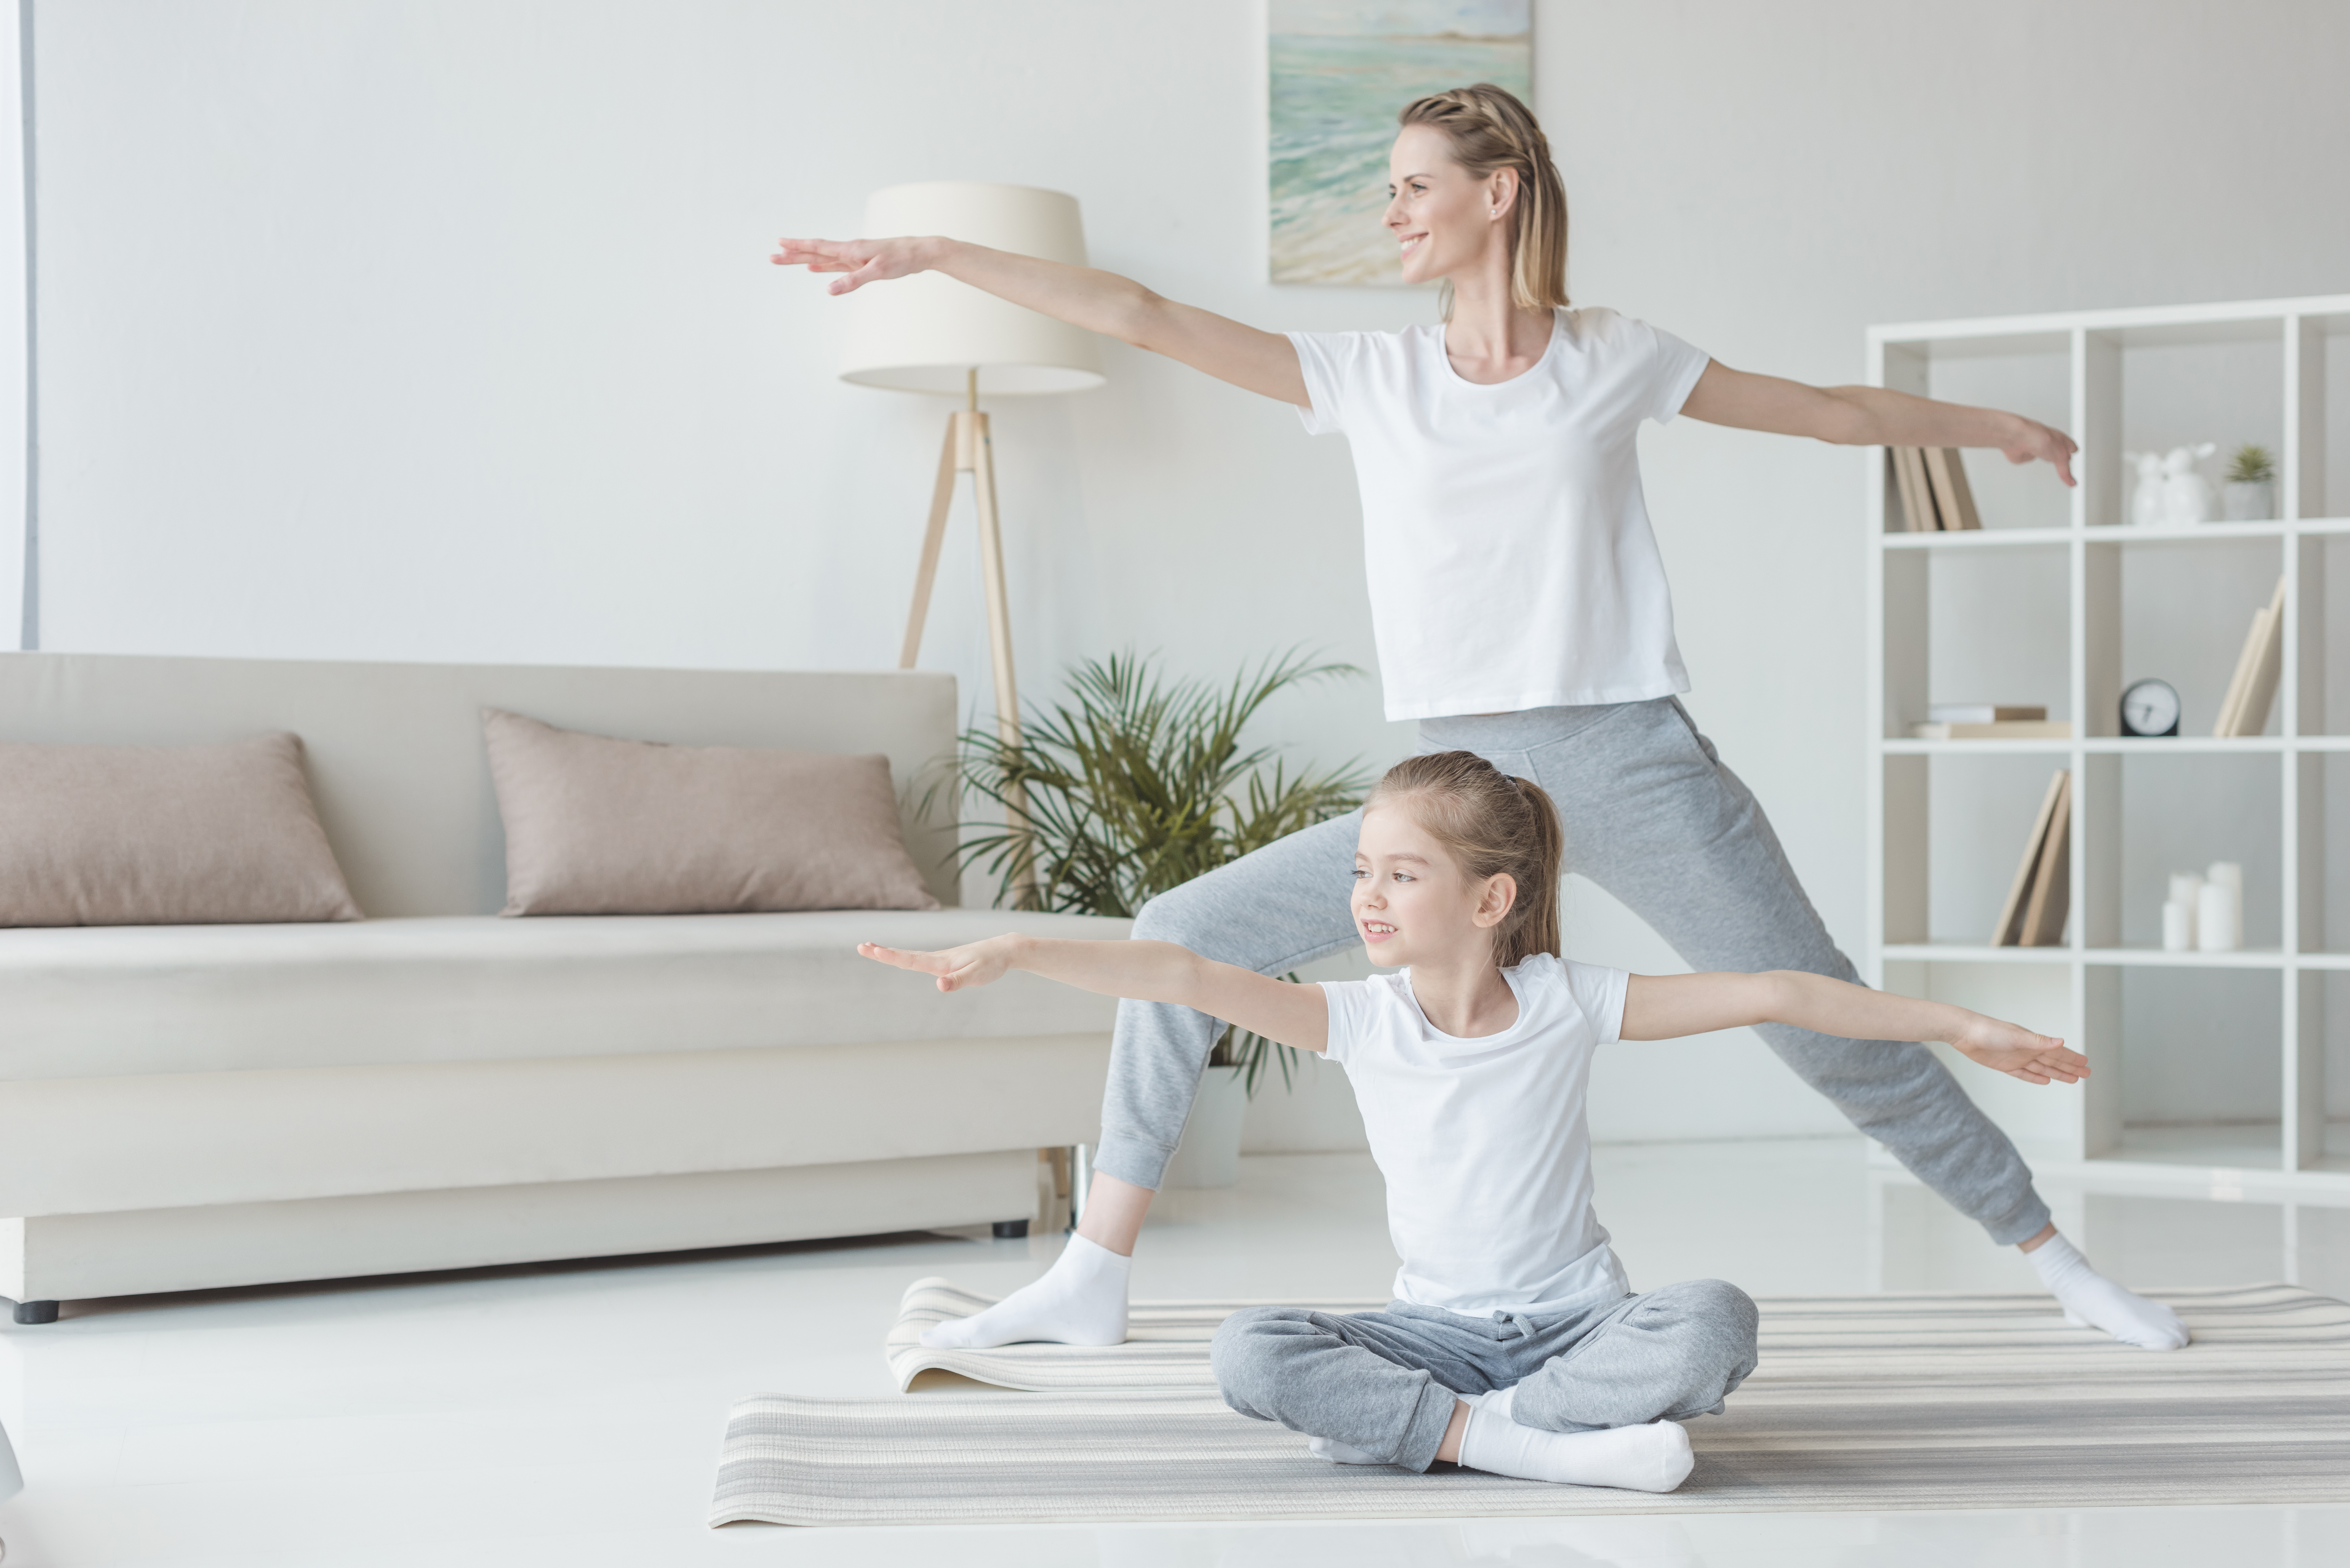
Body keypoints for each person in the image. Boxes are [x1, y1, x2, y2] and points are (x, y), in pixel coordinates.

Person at [772, 82, 2188, 1356]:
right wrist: (944, 255)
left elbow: (1816, 410)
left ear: (1494, 191)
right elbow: (1144, 315)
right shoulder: (1367, 378)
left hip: (1628, 754)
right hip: (1450, 788)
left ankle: (2057, 1262)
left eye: (1409, 185)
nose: (1387, 211)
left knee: (1826, 1028)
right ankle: (1093, 1271)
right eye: (1384, 186)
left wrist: (1989, 429)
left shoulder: (1613, 354)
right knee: (1178, 933)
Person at [859, 752, 2091, 1488]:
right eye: (1362, 872)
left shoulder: (1568, 1003)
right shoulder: (1360, 1019)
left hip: (1580, 1324)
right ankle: (1532, 1449)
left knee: (1715, 1322)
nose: (1369, 896)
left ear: (1491, 897)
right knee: (1250, 1351)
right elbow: (1179, 972)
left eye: (1402, 873)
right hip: (1432, 1336)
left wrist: (1966, 1029)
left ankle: (1463, 1440)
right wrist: (1018, 947)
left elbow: (1780, 991)